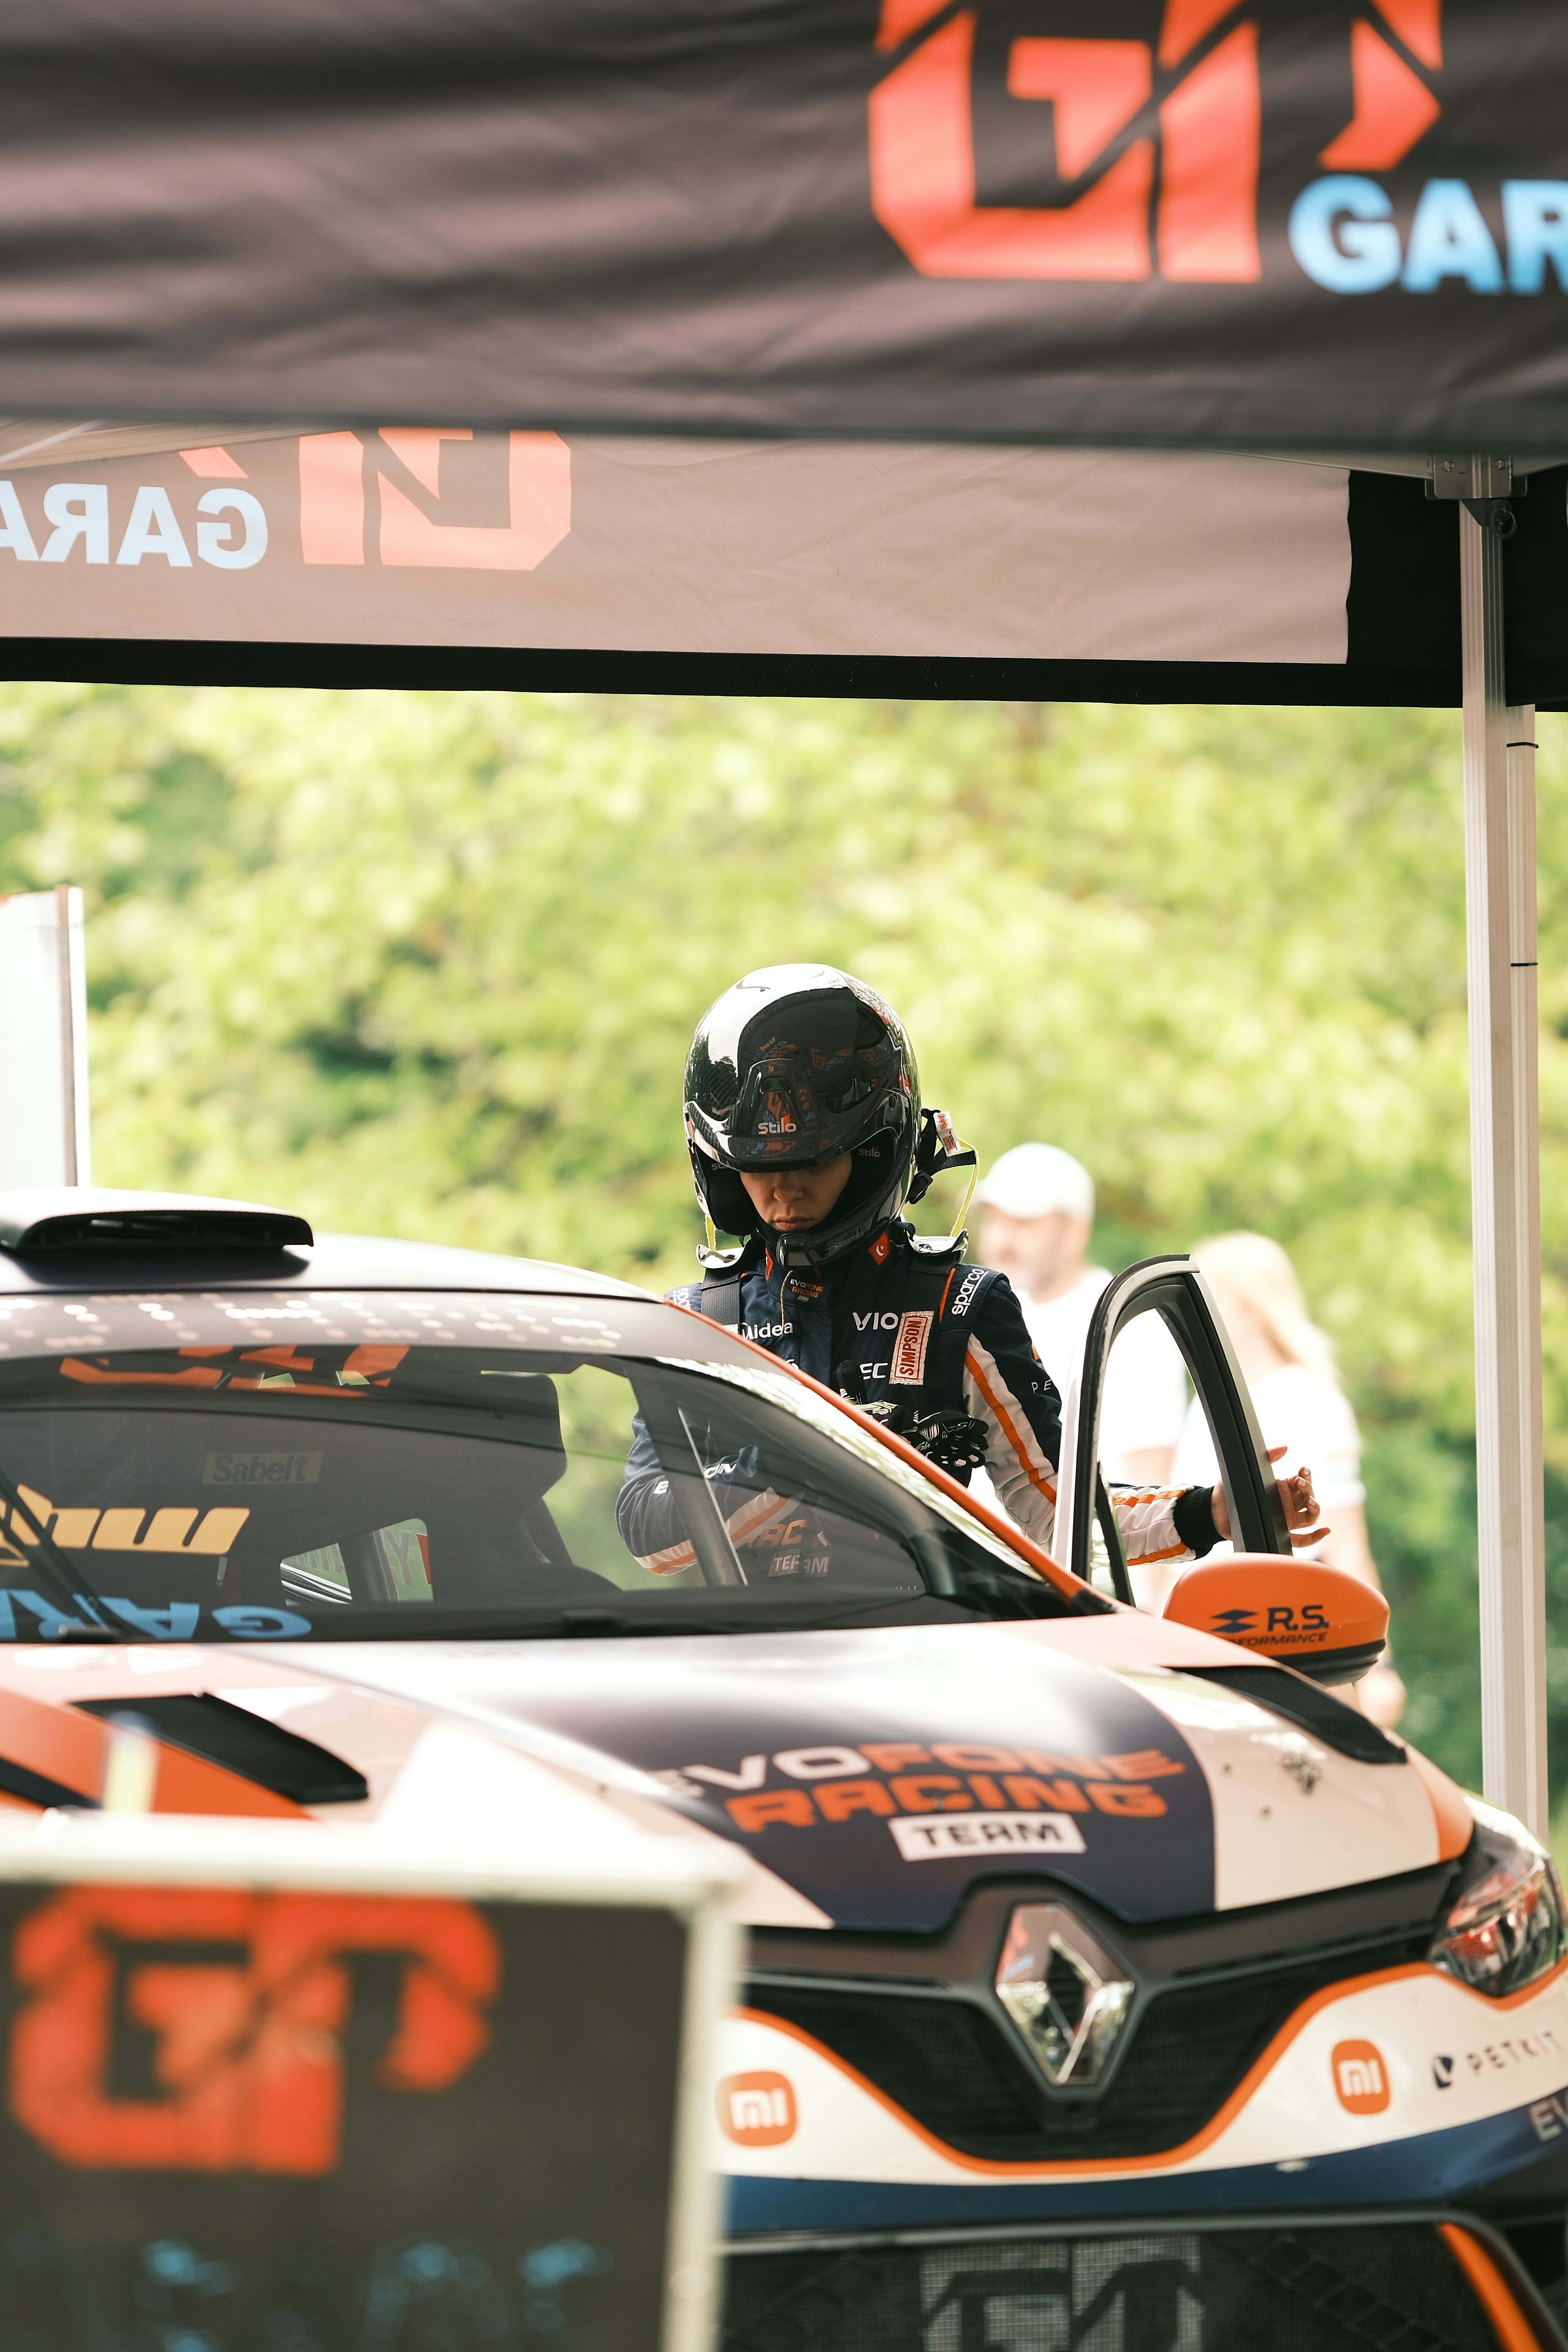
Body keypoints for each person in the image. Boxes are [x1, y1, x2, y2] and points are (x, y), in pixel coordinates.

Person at [617, 964, 1324, 1579]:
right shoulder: (695, 1323)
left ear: (873, 1152)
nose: (781, 1192)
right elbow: (649, 1538)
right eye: (757, 1168)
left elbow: (1056, 1519)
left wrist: (1211, 1512)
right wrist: (844, 1449)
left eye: (809, 1161)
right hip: (738, 1685)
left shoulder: (960, 1308)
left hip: (931, 1673)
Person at [1168, 1230, 1406, 1727]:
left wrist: (1379, 1668)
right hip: (1202, 1644)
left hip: (1282, 1641)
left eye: (1211, 1298)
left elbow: (1345, 1544)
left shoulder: (1311, 1402)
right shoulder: (1208, 1403)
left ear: (1253, 1310)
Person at [975, 1142, 1187, 1484]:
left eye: (1024, 1223)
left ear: (1074, 1232)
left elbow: (1152, 1485)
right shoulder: (983, 1313)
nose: (1002, 1239)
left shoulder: (1128, 1324)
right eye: (995, 1220)